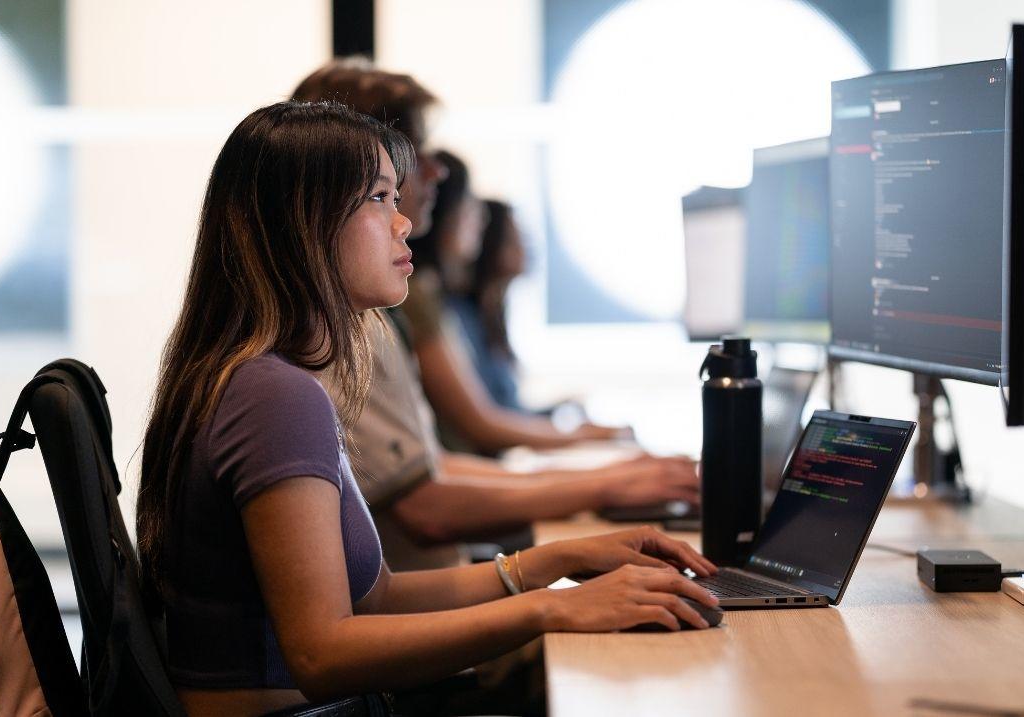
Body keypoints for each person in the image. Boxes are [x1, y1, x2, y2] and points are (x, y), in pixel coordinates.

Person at [136, 100, 719, 717]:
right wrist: (556, 607)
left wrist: (557, 561)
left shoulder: (260, 377)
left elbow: (377, 598)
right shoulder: (274, 395)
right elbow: (322, 653)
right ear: (306, 221)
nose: (405, 222)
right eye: (381, 198)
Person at [293, 59, 629, 454]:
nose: (437, 171)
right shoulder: (357, 319)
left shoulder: (370, 308)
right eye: (417, 151)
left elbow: (423, 471)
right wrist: (608, 474)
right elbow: (429, 485)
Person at [451, 198, 527, 412]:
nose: (524, 248)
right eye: (513, 240)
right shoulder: (460, 317)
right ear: (491, 244)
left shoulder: (491, 314)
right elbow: (485, 419)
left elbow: (511, 410)